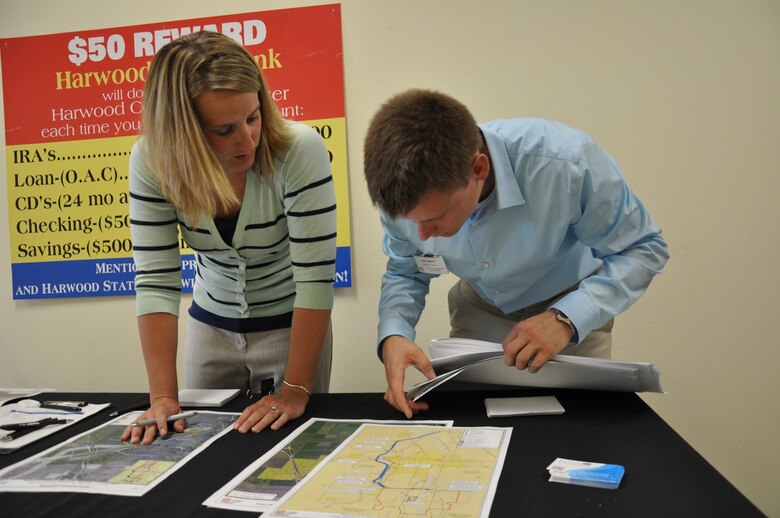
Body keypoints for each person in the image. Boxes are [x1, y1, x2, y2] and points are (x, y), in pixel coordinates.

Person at [363, 89, 669, 418]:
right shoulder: (402, 195)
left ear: (478, 168)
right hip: (479, 312)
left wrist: (566, 318)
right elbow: (406, 270)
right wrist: (394, 334)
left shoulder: (566, 163)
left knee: (580, 438)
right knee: (474, 439)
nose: (423, 235)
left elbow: (643, 248)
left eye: (435, 218)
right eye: (413, 223)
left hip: (572, 311)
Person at [121, 31, 337, 445]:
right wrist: (163, 397)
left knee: (287, 449)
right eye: (224, 130)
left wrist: (294, 389)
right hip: (210, 326)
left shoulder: (299, 149)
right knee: (192, 445)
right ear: (182, 134)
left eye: (253, 117)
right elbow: (156, 282)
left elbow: (315, 280)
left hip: (291, 325)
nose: (247, 139)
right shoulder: (150, 161)